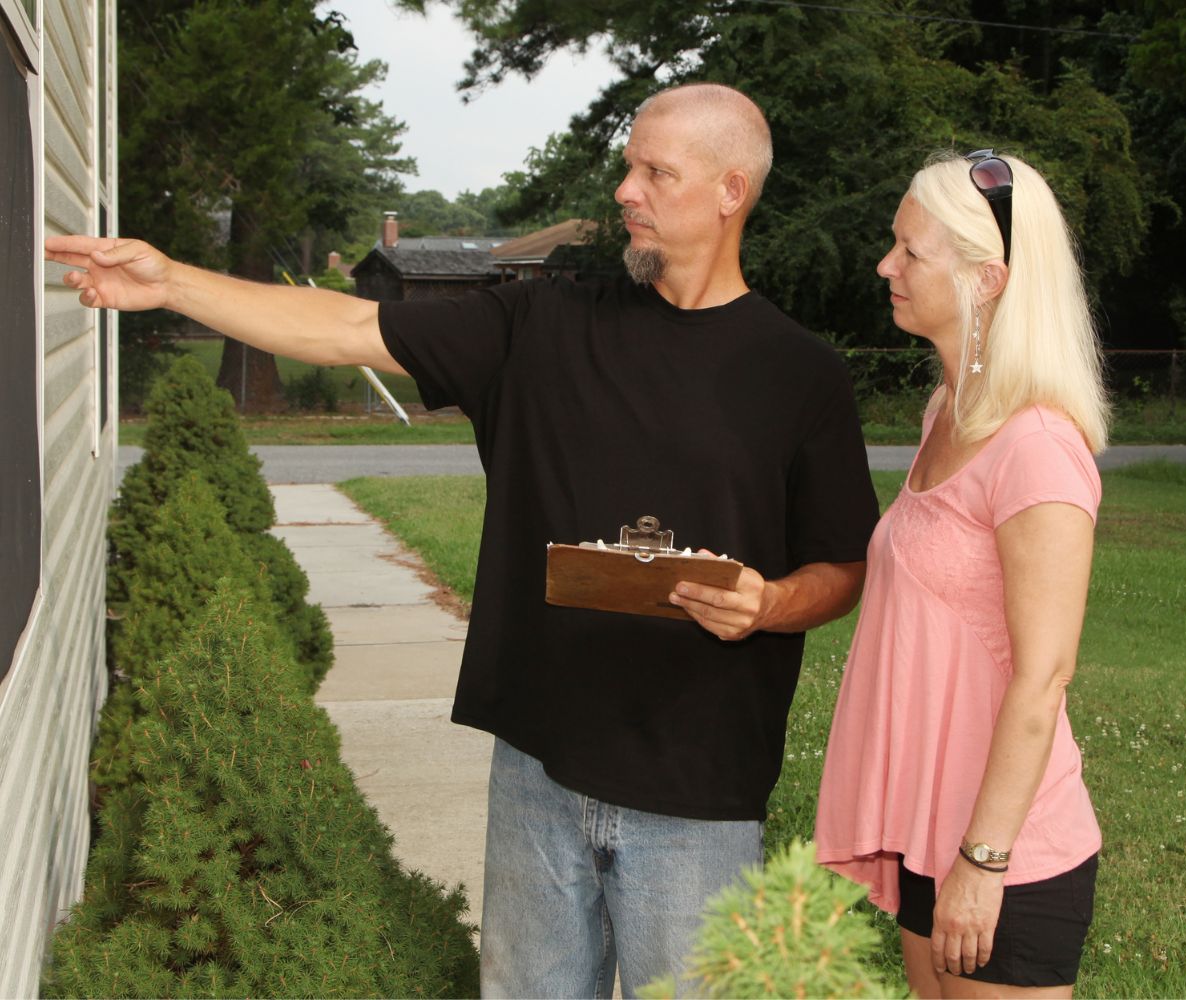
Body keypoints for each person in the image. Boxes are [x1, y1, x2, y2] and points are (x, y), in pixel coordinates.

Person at [49, 83, 880, 998]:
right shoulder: (545, 326)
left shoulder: (799, 373)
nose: (624, 191)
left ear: (731, 191)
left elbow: (841, 566)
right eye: (627, 165)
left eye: (654, 172)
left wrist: (768, 604)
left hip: (700, 792)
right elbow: (348, 327)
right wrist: (171, 282)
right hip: (537, 769)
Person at [813, 149, 1110, 999]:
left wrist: (983, 863)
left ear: (987, 279)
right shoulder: (946, 412)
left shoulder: (1039, 448)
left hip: (1004, 849)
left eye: (911, 251)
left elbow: (1044, 678)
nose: (886, 266)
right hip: (930, 835)